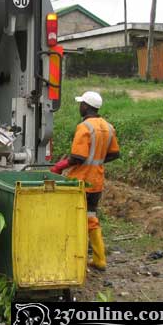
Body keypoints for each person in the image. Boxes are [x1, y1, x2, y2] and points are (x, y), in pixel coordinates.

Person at [51, 91, 120, 271]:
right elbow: (114, 154)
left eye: (81, 104)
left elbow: (77, 157)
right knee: (91, 218)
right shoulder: (108, 127)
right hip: (96, 182)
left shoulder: (85, 127)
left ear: (86, 106)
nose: (79, 106)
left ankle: (73, 256)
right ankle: (99, 259)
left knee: (72, 217)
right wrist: (97, 160)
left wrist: (59, 166)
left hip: (80, 182)